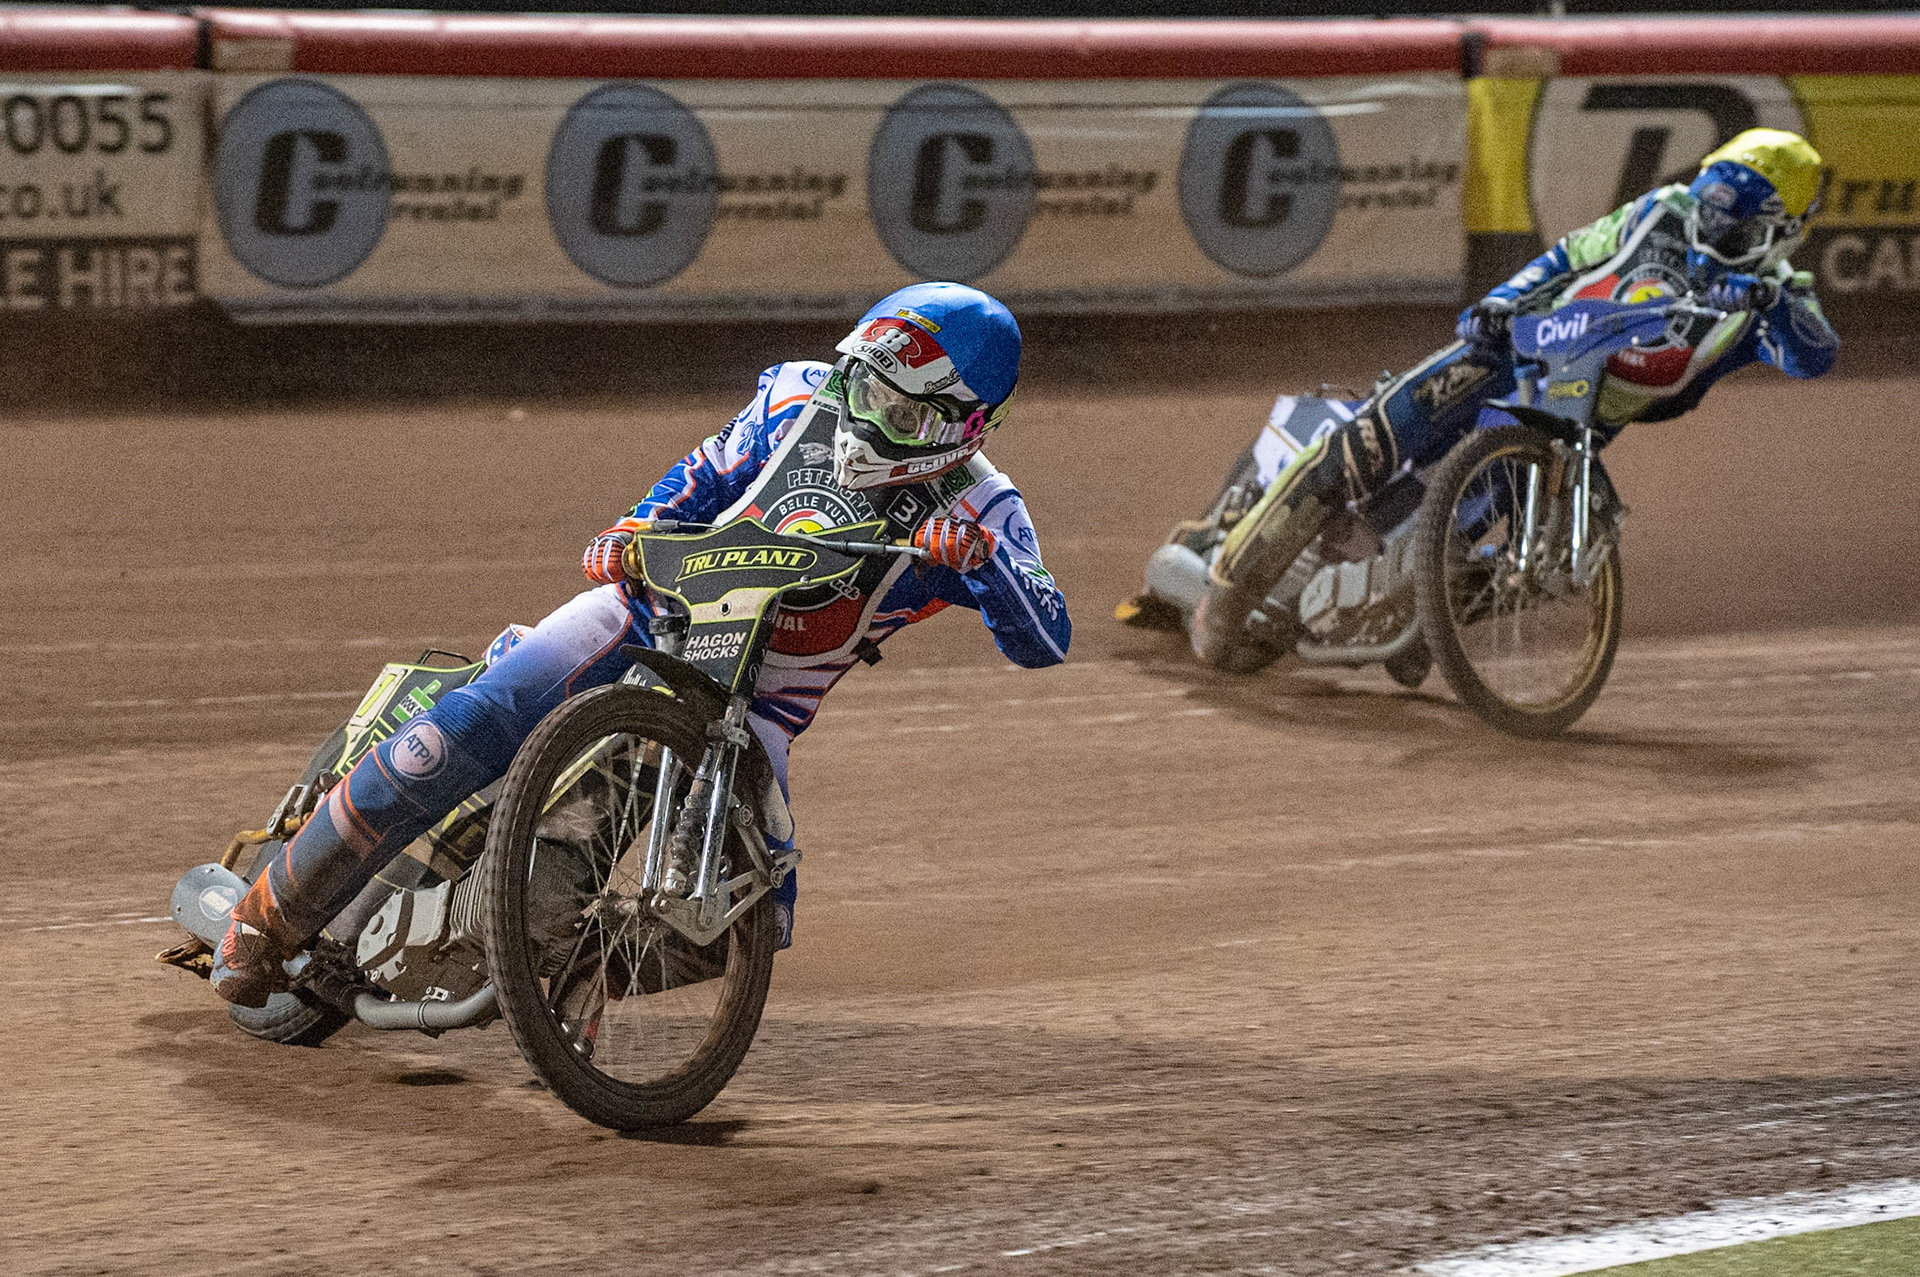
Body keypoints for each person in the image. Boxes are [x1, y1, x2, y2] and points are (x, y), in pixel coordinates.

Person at [213, 282, 1072, 1008]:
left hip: (756, 708)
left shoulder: (985, 508)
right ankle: (264, 915)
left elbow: (1047, 636)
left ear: (967, 425)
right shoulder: (792, 397)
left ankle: (568, 993)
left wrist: (990, 565)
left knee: (753, 923)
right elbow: (700, 476)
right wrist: (634, 527)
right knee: (467, 725)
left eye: (901, 410)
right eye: (862, 389)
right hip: (646, 616)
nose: (867, 420)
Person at [1166, 127, 1839, 670]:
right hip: (1511, 355)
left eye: (1733, 223)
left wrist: (1771, 301)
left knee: (1488, 551)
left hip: (1571, 430)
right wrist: (1503, 300)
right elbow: (1571, 255)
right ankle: (1225, 593)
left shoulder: (1773, 300)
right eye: (1711, 206)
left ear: (1780, 229)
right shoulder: (1657, 214)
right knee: (1368, 443)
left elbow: (1814, 355)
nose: (1712, 228)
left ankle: (1408, 619)